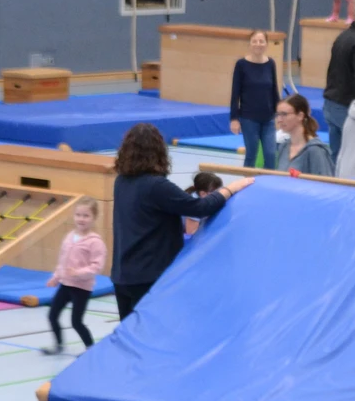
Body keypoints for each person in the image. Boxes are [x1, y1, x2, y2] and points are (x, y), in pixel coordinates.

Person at [112, 124, 253, 318]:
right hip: (148, 278)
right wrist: (230, 189)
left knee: (130, 334)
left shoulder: (121, 182)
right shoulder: (155, 186)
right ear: (159, 152)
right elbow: (200, 207)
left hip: (123, 275)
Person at [41, 200, 105, 355]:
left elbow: (97, 266)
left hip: (82, 288)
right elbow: (63, 261)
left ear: (94, 218)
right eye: (78, 215)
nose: (81, 219)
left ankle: (90, 348)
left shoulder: (95, 242)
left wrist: (79, 272)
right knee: (52, 315)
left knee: (76, 321)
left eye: (86, 216)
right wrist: (56, 277)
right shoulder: (70, 237)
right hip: (66, 284)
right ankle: (59, 345)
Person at [322, 3, 355, 162]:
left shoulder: (342, 37)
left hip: (330, 103)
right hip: (345, 106)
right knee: (353, 156)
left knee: (336, 155)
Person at [229, 31, 280, 169]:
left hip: (268, 118)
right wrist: (234, 118)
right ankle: (247, 179)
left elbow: (274, 90)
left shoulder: (271, 63)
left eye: (261, 41)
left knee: (271, 154)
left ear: (266, 44)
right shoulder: (241, 65)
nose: (258, 44)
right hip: (249, 118)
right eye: (255, 41)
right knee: (251, 154)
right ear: (249, 44)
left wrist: (279, 113)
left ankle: (269, 180)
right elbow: (235, 93)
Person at [274, 93, 335, 176]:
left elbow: (325, 181)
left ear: (300, 116)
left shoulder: (316, 150)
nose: (279, 120)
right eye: (278, 115)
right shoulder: (284, 147)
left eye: (284, 114)